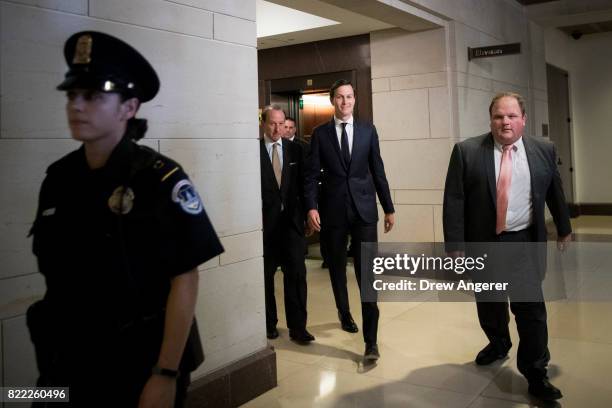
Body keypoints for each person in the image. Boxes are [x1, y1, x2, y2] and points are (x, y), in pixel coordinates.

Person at [27, 31, 224, 407]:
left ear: (129, 107)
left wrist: (165, 374)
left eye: (94, 96)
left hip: (137, 365)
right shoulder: (59, 179)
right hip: (64, 365)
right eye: (73, 96)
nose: (77, 107)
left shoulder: (159, 179)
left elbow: (184, 278)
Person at [442, 92, 572, 401]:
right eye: (499, 116)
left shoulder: (543, 150)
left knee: (531, 312)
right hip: (484, 243)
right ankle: (499, 342)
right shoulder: (467, 151)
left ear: (523, 119)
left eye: (512, 116)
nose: (505, 122)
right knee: (489, 303)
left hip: (524, 242)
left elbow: (555, 190)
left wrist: (564, 228)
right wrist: (455, 246)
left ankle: (536, 372)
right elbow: (454, 199)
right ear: (491, 120)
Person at [304, 79, 395, 361]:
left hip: (364, 210)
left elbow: (377, 169)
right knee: (337, 267)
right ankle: (344, 313)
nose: (345, 102)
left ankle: (371, 341)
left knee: (368, 275)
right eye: (340, 97)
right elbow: (309, 175)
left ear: (355, 100)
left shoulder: (368, 130)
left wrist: (388, 208)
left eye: (350, 97)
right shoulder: (319, 134)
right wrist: (311, 207)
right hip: (332, 211)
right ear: (333, 101)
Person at [260, 105, 314, 343]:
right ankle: (268, 324)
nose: (277, 128)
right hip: (264, 227)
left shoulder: (296, 150)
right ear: (263, 123)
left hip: (292, 224)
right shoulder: (252, 151)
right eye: (272, 123)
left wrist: (310, 214)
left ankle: (298, 328)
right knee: (264, 277)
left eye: (281, 124)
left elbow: (306, 184)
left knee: (296, 275)